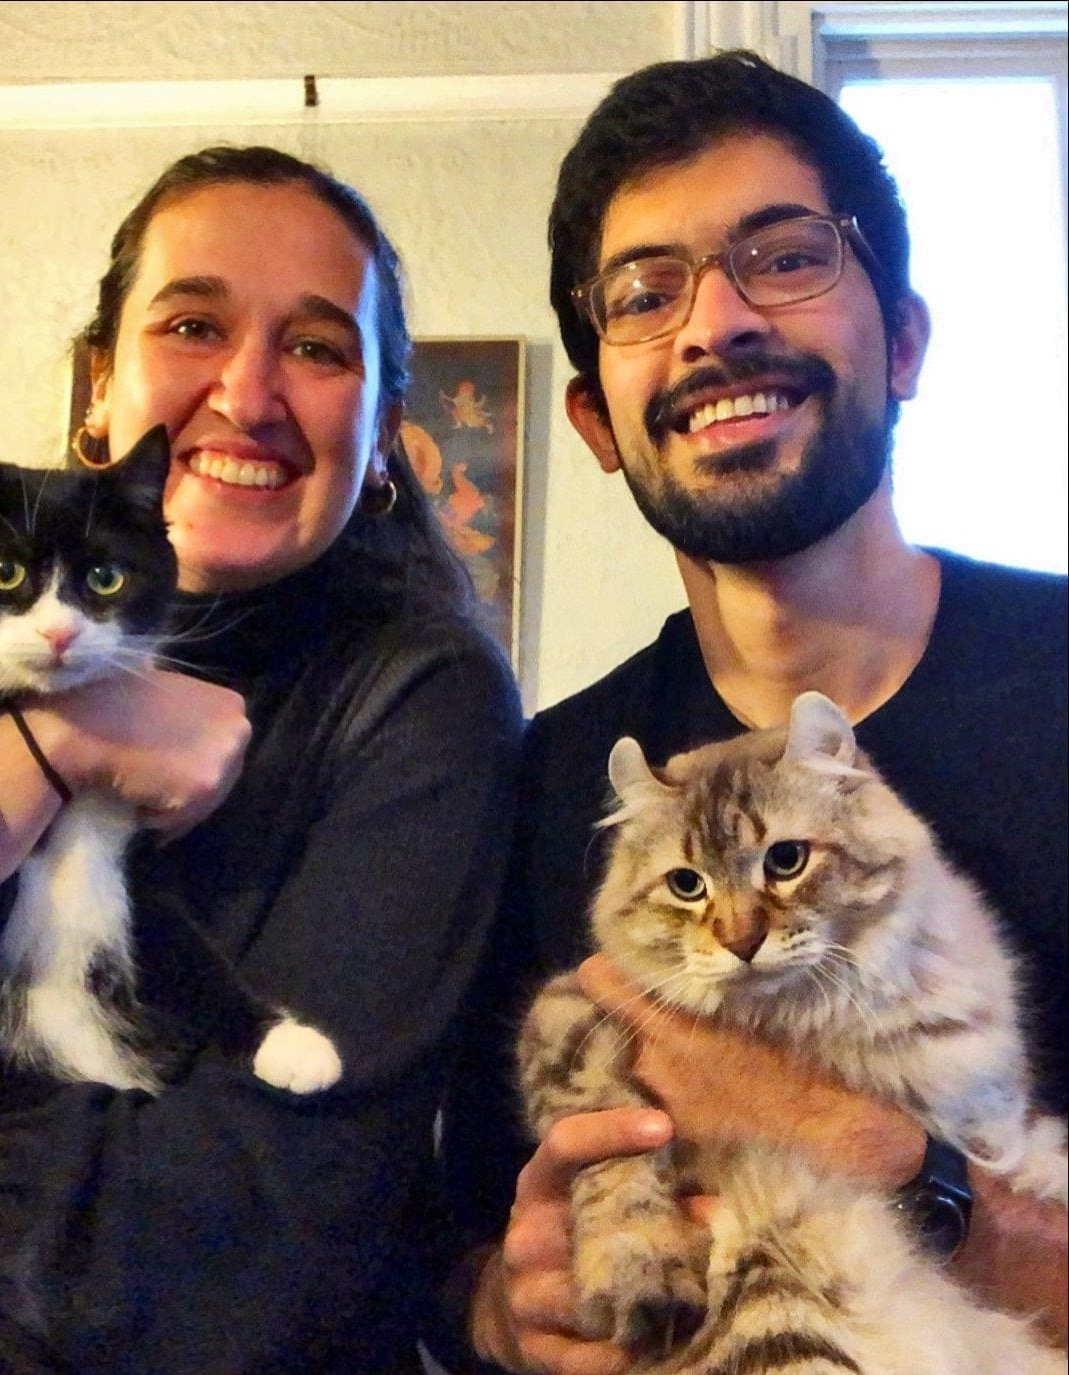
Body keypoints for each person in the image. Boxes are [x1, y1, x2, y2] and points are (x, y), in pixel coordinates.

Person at [0, 144, 523, 1373]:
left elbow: (258, 1233)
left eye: (317, 347)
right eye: (194, 323)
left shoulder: (419, 699)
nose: (247, 394)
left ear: (381, 438)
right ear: (100, 387)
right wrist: (53, 743)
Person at [432, 51, 1067, 1374]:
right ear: (595, 420)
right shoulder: (545, 778)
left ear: (904, 341)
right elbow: (451, 1242)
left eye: (782, 256)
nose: (713, 323)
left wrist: (898, 1169)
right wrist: (505, 1304)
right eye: (645, 293)